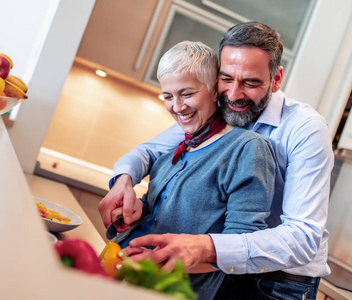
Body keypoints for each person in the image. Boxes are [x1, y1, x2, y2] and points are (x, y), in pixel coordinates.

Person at [99, 22, 334, 300]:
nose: (234, 95)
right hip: (225, 265)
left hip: (279, 281)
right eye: (226, 79)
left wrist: (205, 246)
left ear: (277, 78)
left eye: (251, 82)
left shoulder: (305, 129)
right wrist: (123, 183)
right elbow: (149, 151)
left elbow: (303, 237)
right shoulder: (219, 111)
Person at [111, 40, 276, 299]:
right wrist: (134, 210)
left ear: (213, 90)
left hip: (171, 290)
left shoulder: (247, 149)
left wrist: (158, 262)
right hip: (121, 274)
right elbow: (158, 208)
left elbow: (239, 246)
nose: (177, 107)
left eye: (187, 94)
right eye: (168, 96)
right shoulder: (177, 148)